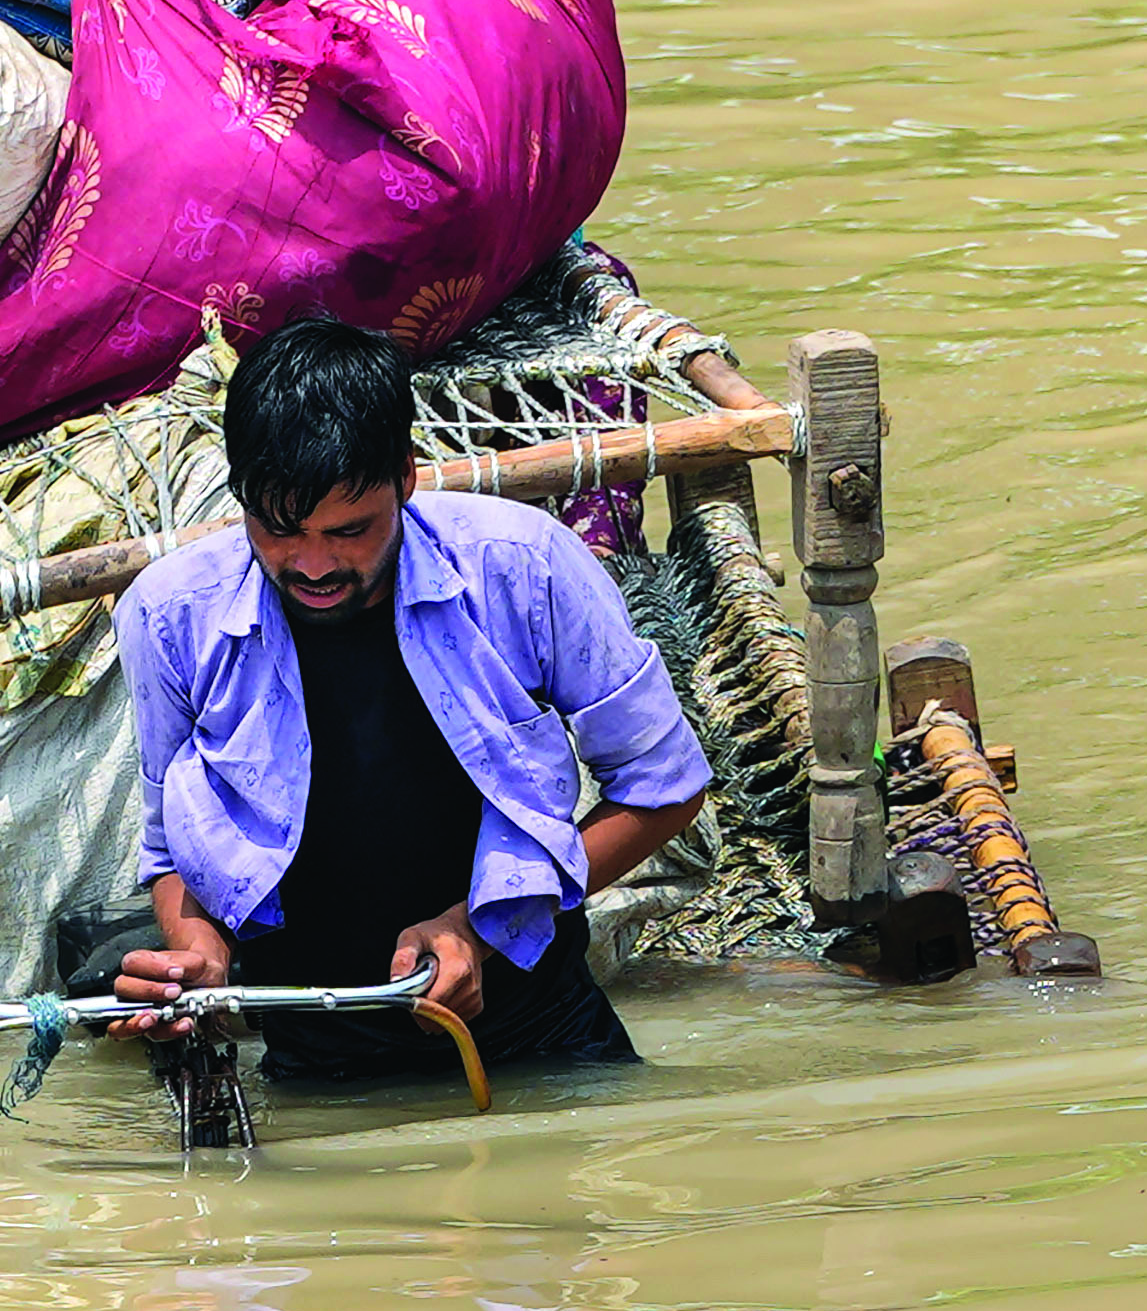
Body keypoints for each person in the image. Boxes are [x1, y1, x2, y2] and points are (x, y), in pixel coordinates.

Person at [113, 317, 711, 1081]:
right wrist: (195, 955)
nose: (314, 564)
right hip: (310, 1067)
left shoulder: (525, 567)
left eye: (350, 530)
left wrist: (477, 930)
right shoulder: (168, 616)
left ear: (406, 474)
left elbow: (666, 788)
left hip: (544, 1041)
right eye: (278, 530)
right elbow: (172, 853)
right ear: (240, 498)